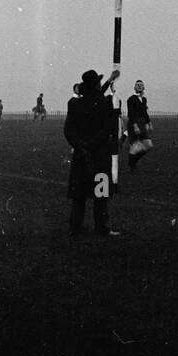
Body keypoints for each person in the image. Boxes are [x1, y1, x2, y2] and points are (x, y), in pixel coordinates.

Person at [65, 69, 121, 236]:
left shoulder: (74, 104)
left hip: (81, 155)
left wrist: (81, 146)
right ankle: (101, 227)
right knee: (101, 193)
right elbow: (108, 129)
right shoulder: (105, 102)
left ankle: (76, 228)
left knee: (79, 195)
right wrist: (92, 145)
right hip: (100, 155)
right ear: (96, 85)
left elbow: (68, 130)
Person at [126, 79, 153, 171]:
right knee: (135, 146)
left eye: (141, 85)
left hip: (142, 123)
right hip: (134, 123)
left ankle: (133, 162)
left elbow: (144, 112)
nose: (139, 86)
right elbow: (130, 114)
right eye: (137, 85)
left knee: (149, 145)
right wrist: (135, 126)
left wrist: (149, 123)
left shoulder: (144, 99)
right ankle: (132, 166)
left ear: (144, 87)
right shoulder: (131, 99)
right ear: (134, 87)